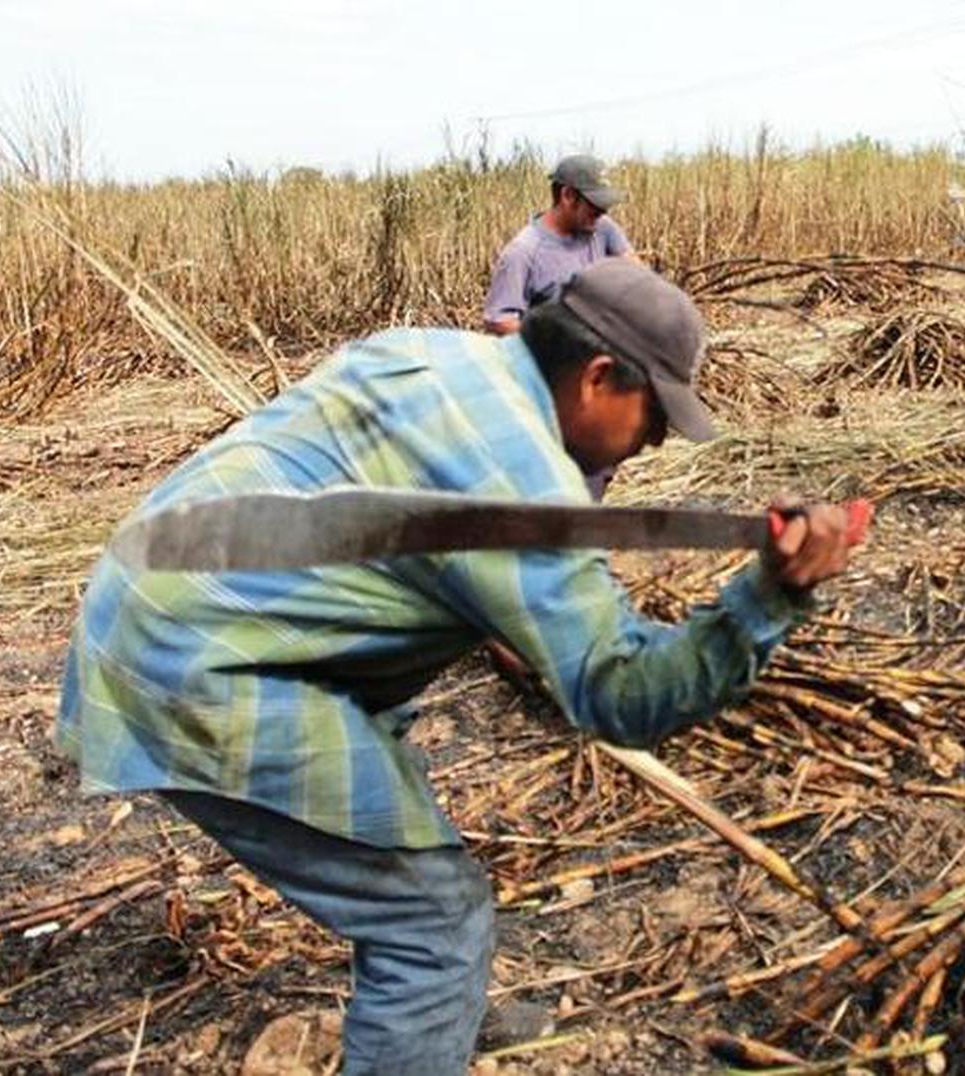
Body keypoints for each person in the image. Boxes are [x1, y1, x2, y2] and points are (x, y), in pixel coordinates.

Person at [57, 259, 856, 1075]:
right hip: (198, 663)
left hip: (147, 592)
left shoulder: (435, 354)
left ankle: (439, 1011)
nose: (653, 442)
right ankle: (435, 984)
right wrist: (770, 598)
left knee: (406, 827)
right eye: (655, 415)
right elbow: (622, 697)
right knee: (434, 920)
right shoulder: (526, 489)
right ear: (599, 377)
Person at [483, 154, 634, 338]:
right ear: (568, 196)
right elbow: (499, 321)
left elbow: (635, 272)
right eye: (595, 204)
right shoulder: (523, 252)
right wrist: (557, 343)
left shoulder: (602, 226)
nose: (603, 211)